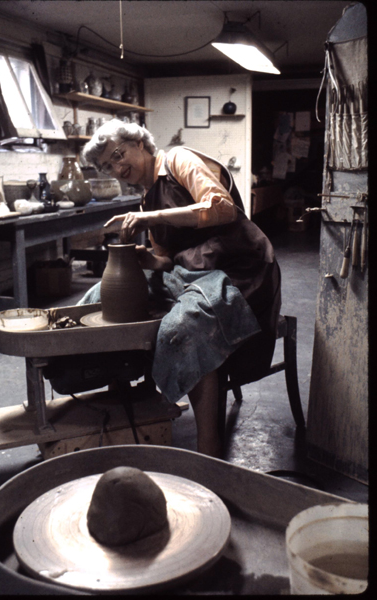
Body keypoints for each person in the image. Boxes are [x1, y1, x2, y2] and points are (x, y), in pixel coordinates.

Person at [80, 119, 281, 458]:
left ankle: (208, 449)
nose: (117, 168)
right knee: (97, 299)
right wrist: (143, 259)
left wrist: (151, 218)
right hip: (196, 272)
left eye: (118, 155)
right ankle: (126, 404)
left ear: (140, 144)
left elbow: (222, 208)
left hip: (240, 269)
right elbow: (167, 261)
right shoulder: (147, 200)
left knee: (184, 328)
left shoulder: (178, 160)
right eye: (107, 165)